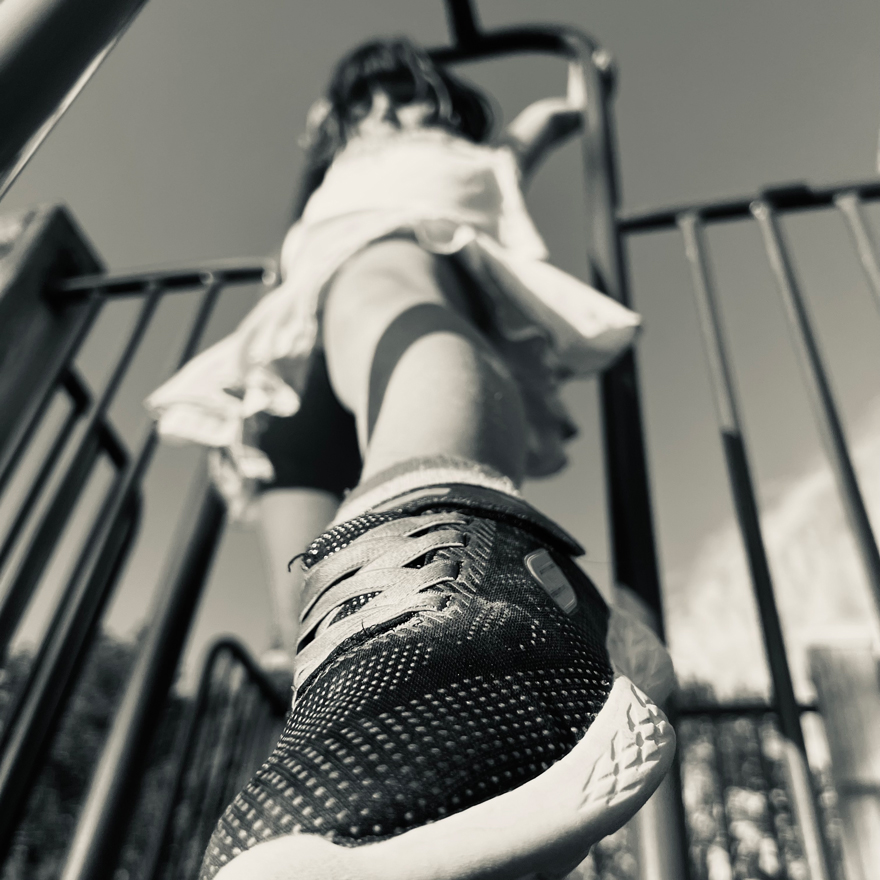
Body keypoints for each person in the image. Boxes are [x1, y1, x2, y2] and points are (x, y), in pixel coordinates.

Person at [147, 36, 674, 880]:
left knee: (388, 297)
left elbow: (550, 117)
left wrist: (581, 84)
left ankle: (497, 618)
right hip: (296, 347)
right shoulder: (330, 173)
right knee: (308, 618)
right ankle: (370, 745)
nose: (391, 113)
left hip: (405, 268)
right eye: (372, 104)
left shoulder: (470, 156)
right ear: (341, 121)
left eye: (410, 96)